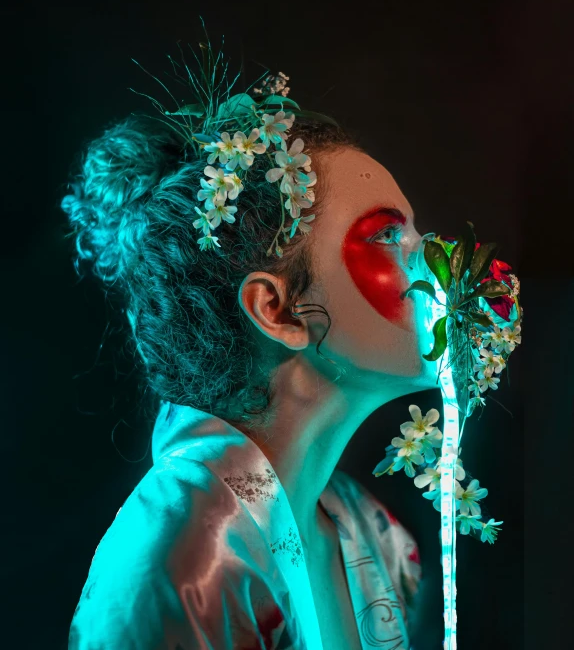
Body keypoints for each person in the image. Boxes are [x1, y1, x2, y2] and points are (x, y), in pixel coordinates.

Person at [62, 103, 438, 649]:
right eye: (387, 237)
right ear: (278, 310)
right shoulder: (180, 562)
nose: (431, 257)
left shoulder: (373, 532)